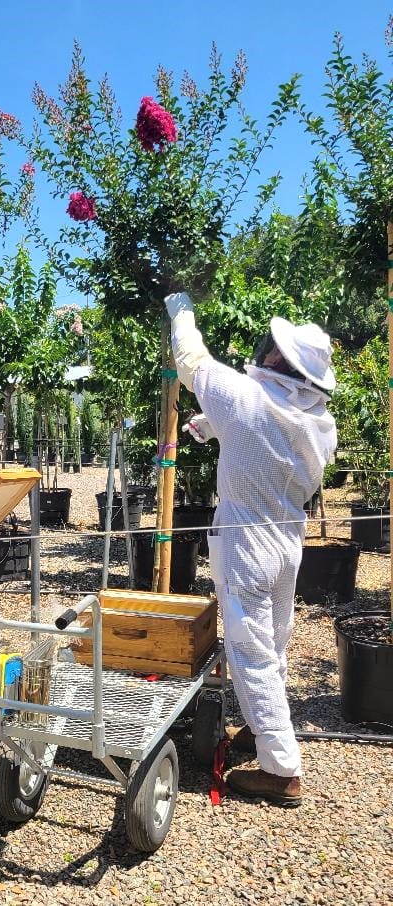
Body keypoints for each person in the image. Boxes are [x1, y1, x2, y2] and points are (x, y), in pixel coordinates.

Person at [164, 292, 337, 806]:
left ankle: (281, 768)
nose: (262, 353)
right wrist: (216, 427)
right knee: (275, 642)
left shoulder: (243, 395)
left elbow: (190, 360)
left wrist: (182, 312)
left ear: (277, 361)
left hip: (246, 544)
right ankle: (265, 729)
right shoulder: (317, 424)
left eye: (271, 349)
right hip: (287, 541)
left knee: (251, 653)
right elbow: (269, 428)